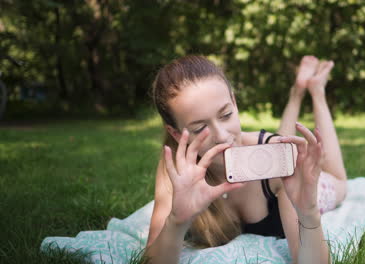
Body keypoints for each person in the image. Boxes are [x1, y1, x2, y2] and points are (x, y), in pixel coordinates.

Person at [144, 55, 347, 264]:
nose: (222, 136)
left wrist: (308, 213)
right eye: (200, 128)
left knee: (338, 179)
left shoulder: (282, 169)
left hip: (278, 166)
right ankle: (296, 92)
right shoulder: (177, 171)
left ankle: (315, 90)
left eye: (226, 115)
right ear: (177, 134)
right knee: (278, 145)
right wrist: (177, 222)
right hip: (265, 150)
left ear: (234, 102)